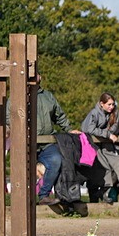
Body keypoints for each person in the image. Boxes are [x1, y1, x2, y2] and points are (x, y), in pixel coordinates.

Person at [81, 93, 119, 204]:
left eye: (113, 104)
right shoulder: (94, 113)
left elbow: (114, 128)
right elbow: (89, 129)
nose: (111, 107)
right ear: (101, 104)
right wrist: (107, 134)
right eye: (109, 104)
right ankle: (101, 193)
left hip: (107, 143)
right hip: (93, 144)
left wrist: (117, 132)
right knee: (103, 168)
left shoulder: (115, 113)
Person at [35, 72, 71, 206]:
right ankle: (22, 200)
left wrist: (69, 129)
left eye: (37, 74)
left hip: (46, 143)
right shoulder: (17, 95)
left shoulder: (48, 96)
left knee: (57, 160)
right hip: (25, 143)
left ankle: (44, 195)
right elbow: (10, 117)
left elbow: (59, 115)